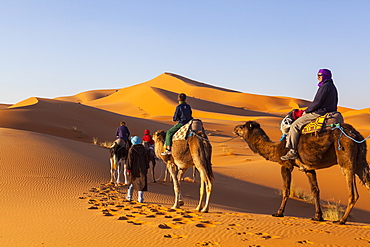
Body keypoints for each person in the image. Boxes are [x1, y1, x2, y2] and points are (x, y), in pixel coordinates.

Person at [281, 69, 338, 160]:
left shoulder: (324, 87)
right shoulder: (332, 86)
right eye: (317, 75)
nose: (318, 77)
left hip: (320, 112)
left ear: (325, 76)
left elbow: (317, 102)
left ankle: (292, 151)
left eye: (320, 75)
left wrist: (307, 111)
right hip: (330, 111)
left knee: (295, 126)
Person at [126, 136, 150, 203]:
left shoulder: (131, 149)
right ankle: (140, 199)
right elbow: (146, 160)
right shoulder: (144, 149)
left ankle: (129, 197)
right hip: (142, 168)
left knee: (131, 182)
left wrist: (128, 169)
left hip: (134, 169)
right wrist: (147, 168)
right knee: (141, 184)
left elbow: (129, 160)